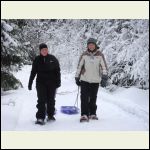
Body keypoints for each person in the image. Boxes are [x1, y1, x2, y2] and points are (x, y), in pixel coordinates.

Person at [75, 38, 108, 122]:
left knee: (93, 97)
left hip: (95, 80)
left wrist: (104, 77)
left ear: (95, 45)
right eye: (89, 45)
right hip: (84, 79)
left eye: (92, 44)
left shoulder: (100, 55)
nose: (91, 46)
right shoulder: (84, 54)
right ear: (87, 46)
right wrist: (77, 77)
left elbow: (104, 67)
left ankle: (93, 113)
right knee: (84, 98)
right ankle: (84, 114)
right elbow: (79, 66)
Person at [28, 43, 61, 125]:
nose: (45, 51)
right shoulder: (37, 59)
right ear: (40, 51)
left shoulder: (52, 58)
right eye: (43, 50)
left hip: (52, 83)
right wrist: (30, 82)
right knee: (41, 100)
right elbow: (33, 72)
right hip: (40, 83)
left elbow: (57, 71)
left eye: (46, 49)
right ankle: (40, 117)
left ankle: (50, 115)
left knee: (51, 100)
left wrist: (58, 82)